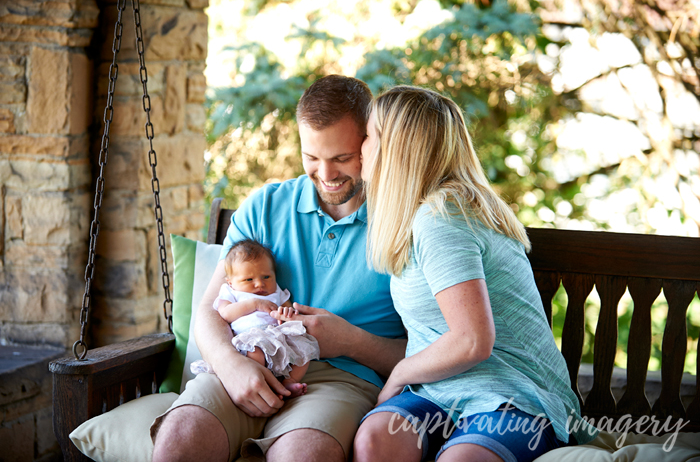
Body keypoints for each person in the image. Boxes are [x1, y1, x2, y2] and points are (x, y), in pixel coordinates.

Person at [151, 75, 407, 462]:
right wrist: (230, 366)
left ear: (371, 144)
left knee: (302, 456)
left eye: (341, 157)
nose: (326, 174)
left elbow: (430, 350)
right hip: (247, 359)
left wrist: (352, 342)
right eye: (312, 157)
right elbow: (208, 310)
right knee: (180, 439)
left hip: (342, 380)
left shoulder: (405, 221)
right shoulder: (265, 207)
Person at [353, 86, 598, 462]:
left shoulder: (442, 217)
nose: (361, 146)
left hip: (513, 394)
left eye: (369, 135)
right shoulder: (421, 217)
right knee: (376, 440)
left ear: (395, 149)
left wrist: (400, 373)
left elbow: (472, 341)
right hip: (438, 392)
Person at [190, 239, 320, 398]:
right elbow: (226, 313)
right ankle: (263, 385)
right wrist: (254, 304)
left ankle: (288, 382)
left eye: (266, 276)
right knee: (255, 353)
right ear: (230, 282)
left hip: (279, 337)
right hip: (250, 336)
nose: (259, 284)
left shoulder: (276, 291)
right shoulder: (231, 292)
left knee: (304, 353)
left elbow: (289, 309)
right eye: (249, 280)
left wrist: (287, 313)